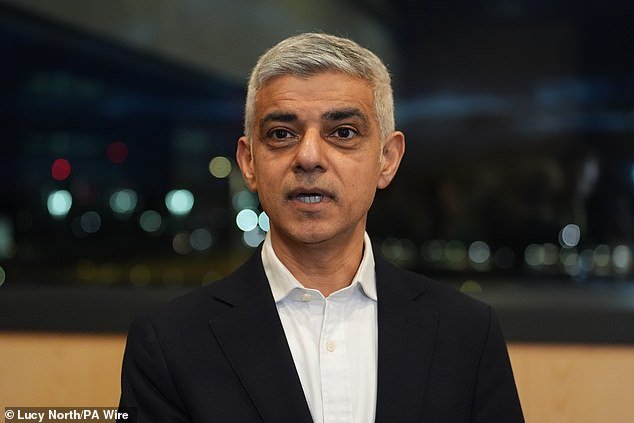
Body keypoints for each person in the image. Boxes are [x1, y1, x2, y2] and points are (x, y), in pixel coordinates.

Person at [118, 33, 524, 423]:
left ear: (387, 159)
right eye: (281, 134)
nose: (309, 156)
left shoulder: (468, 333)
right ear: (249, 163)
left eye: (343, 132)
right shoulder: (168, 343)